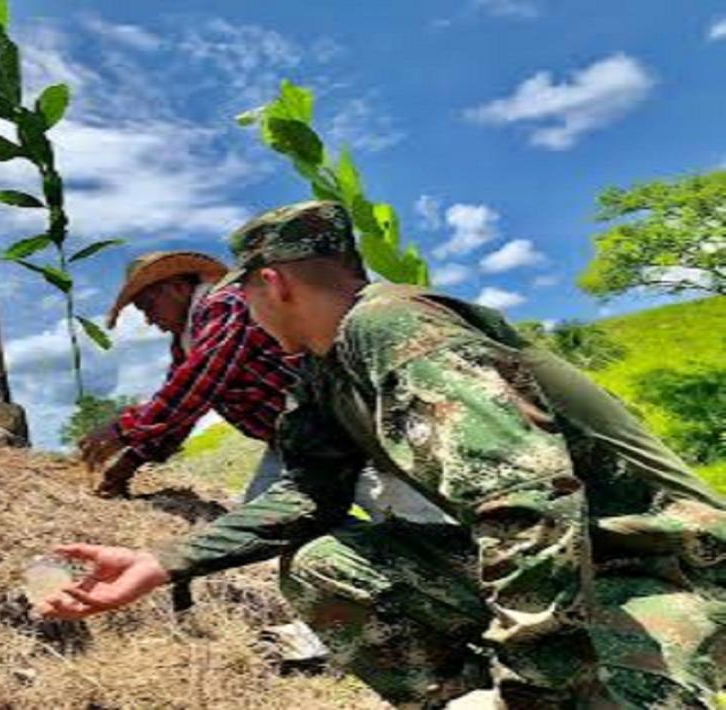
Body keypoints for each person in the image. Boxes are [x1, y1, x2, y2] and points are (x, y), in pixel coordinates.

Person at [42, 201, 726, 707]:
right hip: (573, 570)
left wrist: (533, 688)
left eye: (244, 297)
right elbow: (308, 495)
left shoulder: (397, 328)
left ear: (272, 285)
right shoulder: (322, 371)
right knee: (325, 566)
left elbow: (527, 501)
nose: (241, 314)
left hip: (661, 568)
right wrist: (162, 562)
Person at [78, 251, 299, 500]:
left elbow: (198, 381)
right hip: (290, 443)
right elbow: (181, 410)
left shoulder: (225, 304)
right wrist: (130, 463)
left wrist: (124, 429)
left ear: (178, 288)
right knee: (269, 520)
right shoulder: (186, 340)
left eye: (149, 306)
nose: (149, 321)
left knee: (280, 522)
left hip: (329, 427)